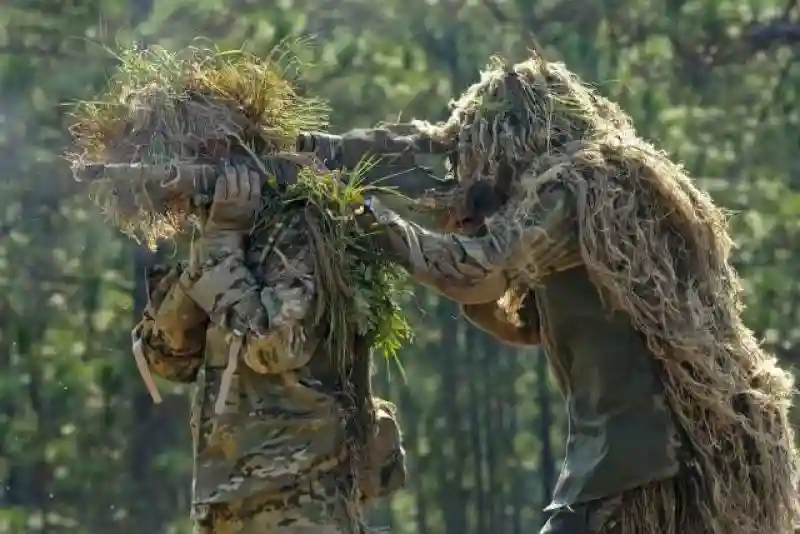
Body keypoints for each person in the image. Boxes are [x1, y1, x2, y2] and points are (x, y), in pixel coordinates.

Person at [341, 55, 800, 534]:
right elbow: (533, 325)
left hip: (650, 463)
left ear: (513, 140)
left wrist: (373, 221)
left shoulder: (576, 185)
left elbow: (476, 268)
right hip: (695, 452)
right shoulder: (620, 184)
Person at [131, 159, 414, 533]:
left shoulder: (300, 232)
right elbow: (164, 359)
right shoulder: (228, 235)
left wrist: (222, 248)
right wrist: (213, 247)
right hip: (228, 509)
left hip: (297, 506)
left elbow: (274, 346)